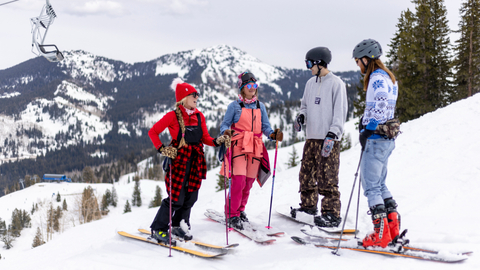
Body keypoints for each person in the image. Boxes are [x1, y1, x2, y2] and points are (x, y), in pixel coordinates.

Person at [148, 78, 230, 245]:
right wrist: (162, 149)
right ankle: (159, 228)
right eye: (194, 95)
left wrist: (218, 141)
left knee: (191, 197)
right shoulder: (172, 116)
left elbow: (205, 138)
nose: (197, 98)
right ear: (184, 97)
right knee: (175, 198)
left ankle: (179, 224)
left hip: (195, 160)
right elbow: (153, 132)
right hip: (178, 160)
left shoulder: (199, 116)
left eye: (197, 95)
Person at [291, 47, 348, 228]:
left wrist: (333, 133)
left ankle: (331, 213)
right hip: (311, 138)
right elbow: (304, 107)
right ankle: (308, 207)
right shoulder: (310, 84)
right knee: (306, 175)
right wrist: (302, 116)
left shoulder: (337, 83)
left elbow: (340, 112)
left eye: (309, 64)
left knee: (327, 177)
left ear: (319, 63)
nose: (308, 68)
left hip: (328, 139)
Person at [352, 39, 401, 248]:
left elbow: (380, 102)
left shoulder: (376, 78)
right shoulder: (389, 77)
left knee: (371, 187)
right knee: (380, 184)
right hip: (387, 139)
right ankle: (392, 229)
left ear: (366, 58)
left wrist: (369, 128)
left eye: (358, 61)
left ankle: (381, 236)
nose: (358, 66)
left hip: (376, 138)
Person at [219, 71, 283, 230]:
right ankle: (231, 214)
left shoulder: (261, 106)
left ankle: (240, 211)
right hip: (239, 145)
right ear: (242, 87)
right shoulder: (234, 106)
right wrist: (226, 132)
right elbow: (224, 125)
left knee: (248, 182)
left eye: (255, 85)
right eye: (249, 85)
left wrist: (273, 134)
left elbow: (265, 127)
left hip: (255, 147)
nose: (252, 88)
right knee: (238, 181)